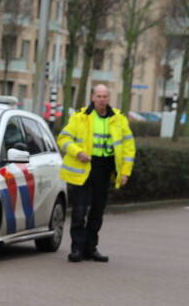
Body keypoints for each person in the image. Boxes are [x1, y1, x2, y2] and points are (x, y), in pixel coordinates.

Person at [57, 84, 136, 263]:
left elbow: (129, 148)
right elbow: (63, 138)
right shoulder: (80, 117)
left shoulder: (118, 119)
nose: (102, 100)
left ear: (109, 98)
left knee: (97, 212)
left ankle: (90, 248)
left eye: (105, 96)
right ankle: (76, 249)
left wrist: (124, 173)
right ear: (92, 97)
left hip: (105, 169)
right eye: (99, 96)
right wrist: (78, 152)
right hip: (83, 169)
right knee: (79, 211)